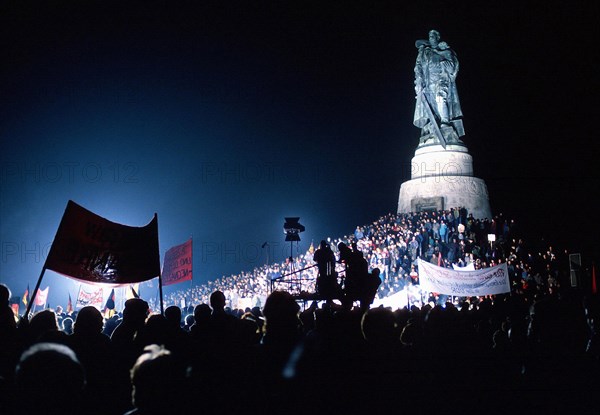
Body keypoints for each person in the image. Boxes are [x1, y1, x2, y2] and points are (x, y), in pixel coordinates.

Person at [413, 29, 464, 144]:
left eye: (433, 35)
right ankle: (434, 125)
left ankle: (445, 123)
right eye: (429, 35)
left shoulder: (445, 50)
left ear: (438, 37)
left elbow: (452, 67)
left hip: (442, 79)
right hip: (428, 82)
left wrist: (444, 63)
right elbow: (418, 67)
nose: (431, 37)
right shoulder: (425, 52)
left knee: (441, 98)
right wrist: (418, 83)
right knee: (431, 105)